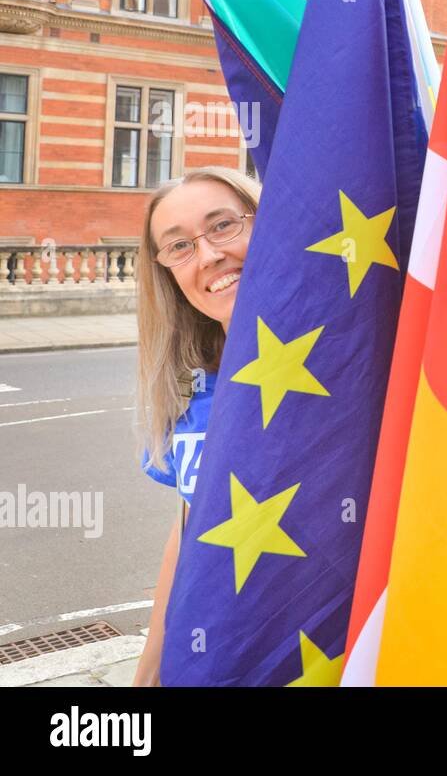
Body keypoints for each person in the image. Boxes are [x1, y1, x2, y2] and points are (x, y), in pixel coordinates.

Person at [131, 166, 260, 686]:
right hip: (221, 655)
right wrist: (148, 673)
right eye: (179, 246)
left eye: (224, 225)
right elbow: (190, 532)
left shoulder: (346, 363)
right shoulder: (195, 389)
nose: (208, 256)